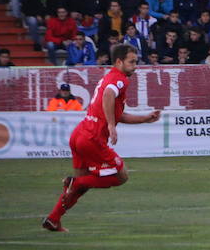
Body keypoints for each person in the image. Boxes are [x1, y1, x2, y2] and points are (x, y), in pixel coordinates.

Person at [43, 44, 161, 232]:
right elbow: (108, 95)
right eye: (131, 62)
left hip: (79, 135)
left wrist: (145, 118)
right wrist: (111, 126)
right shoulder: (120, 79)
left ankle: (53, 219)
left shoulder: (109, 77)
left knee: (81, 187)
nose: (135, 66)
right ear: (119, 62)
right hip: (92, 138)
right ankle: (75, 182)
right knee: (121, 175)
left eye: (136, 62)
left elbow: (117, 114)